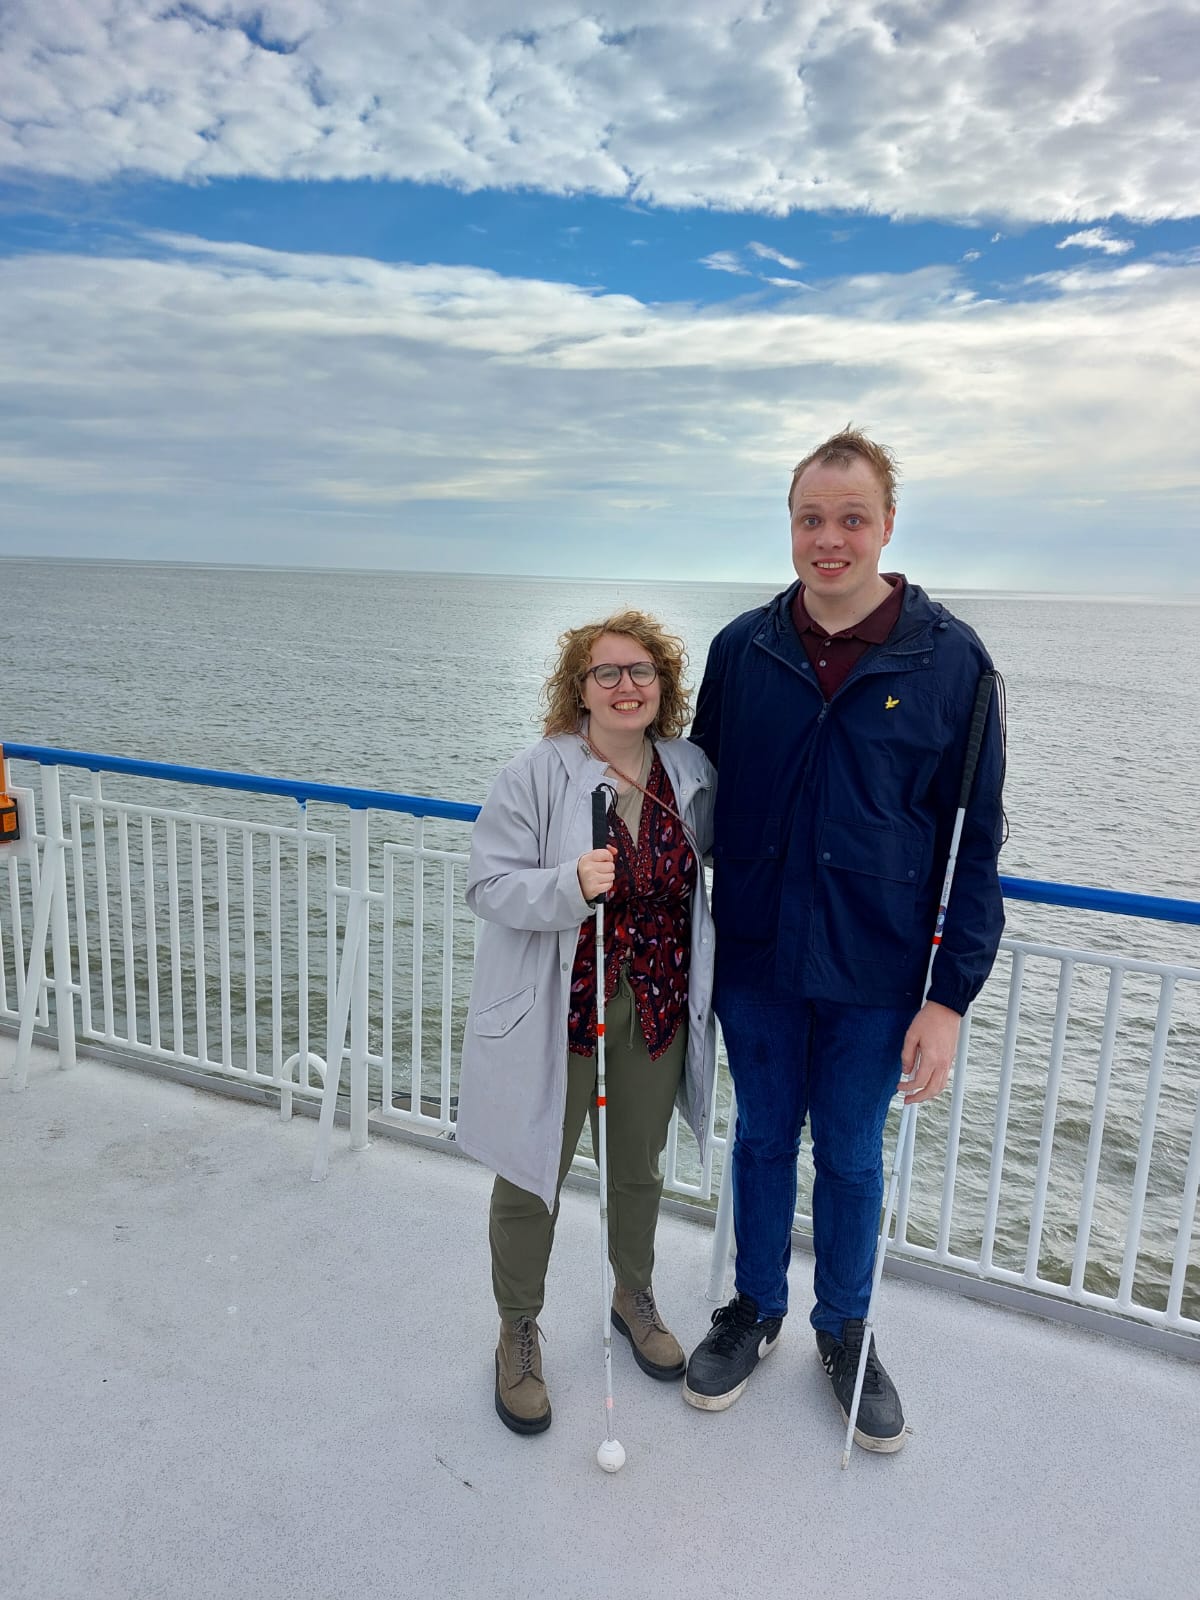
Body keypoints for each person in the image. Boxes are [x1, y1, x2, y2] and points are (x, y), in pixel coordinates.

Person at [682, 428, 1005, 1452]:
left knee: (854, 1158)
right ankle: (757, 1308)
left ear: (887, 526)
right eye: (811, 519)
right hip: (759, 957)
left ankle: (845, 1328)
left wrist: (948, 999)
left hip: (876, 971)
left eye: (850, 518)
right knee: (766, 1137)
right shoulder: (743, 650)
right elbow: (694, 796)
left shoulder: (954, 664)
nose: (830, 540)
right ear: (790, 526)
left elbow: (976, 841)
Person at [456, 609, 717, 1436]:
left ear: (662, 687)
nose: (626, 686)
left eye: (642, 672)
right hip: (562, 1009)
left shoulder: (691, 772)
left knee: (638, 1166)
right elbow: (489, 888)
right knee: (533, 1172)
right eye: (607, 673)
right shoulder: (536, 775)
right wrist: (569, 883)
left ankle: (631, 1293)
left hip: (657, 1002)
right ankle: (518, 1330)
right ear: (580, 688)